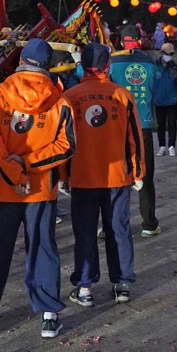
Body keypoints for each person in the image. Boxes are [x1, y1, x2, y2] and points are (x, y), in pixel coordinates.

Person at [0, 38, 75, 341]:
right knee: (43, 248)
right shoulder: (59, 100)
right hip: (41, 189)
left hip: (4, 187)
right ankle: (49, 315)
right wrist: (32, 163)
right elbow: (66, 146)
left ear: (21, 59)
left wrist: (14, 169)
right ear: (49, 65)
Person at [62, 43, 145, 307]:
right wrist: (138, 171)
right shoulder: (122, 94)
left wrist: (64, 175)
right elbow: (135, 138)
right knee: (118, 230)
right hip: (116, 177)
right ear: (107, 66)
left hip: (83, 176)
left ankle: (85, 287)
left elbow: (64, 142)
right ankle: (122, 284)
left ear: (82, 66)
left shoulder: (71, 96)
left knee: (85, 232)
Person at [110, 47, 161, 237]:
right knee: (145, 174)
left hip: (120, 124)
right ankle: (149, 224)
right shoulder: (150, 63)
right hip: (143, 123)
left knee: (118, 175)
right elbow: (153, 91)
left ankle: (114, 224)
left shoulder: (112, 63)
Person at [153, 43, 177, 157]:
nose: (169, 56)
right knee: (160, 125)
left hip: (172, 100)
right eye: (167, 53)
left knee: (172, 124)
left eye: (171, 54)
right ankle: (162, 146)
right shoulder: (154, 66)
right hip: (159, 100)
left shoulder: (175, 67)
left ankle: (171, 146)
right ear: (162, 53)